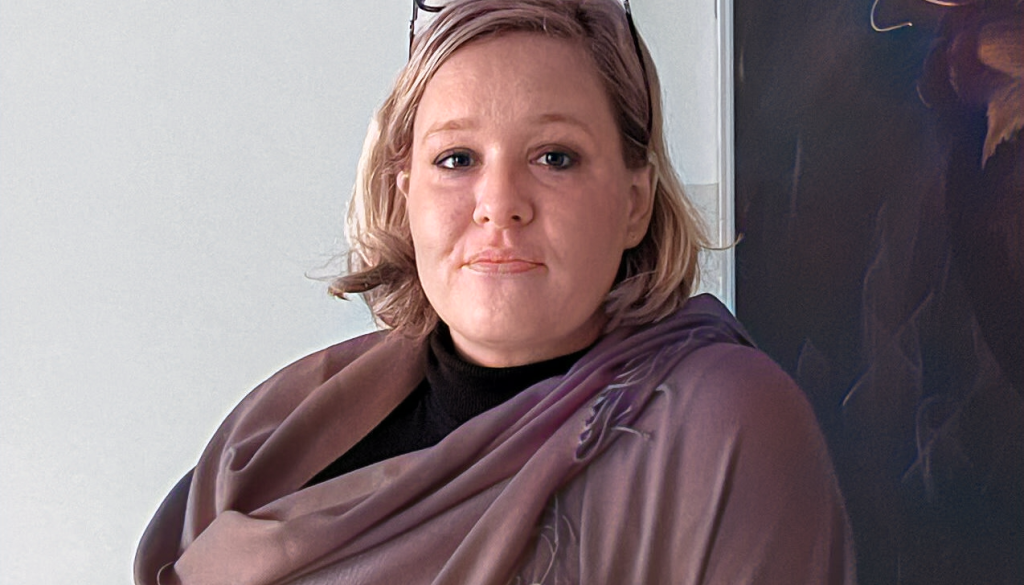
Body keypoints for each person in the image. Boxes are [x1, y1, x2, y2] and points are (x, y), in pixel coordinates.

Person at [134, 0, 857, 583]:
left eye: (555, 157)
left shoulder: (721, 425)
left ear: (635, 202)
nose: (500, 204)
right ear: (406, 195)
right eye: (456, 159)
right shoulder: (271, 427)